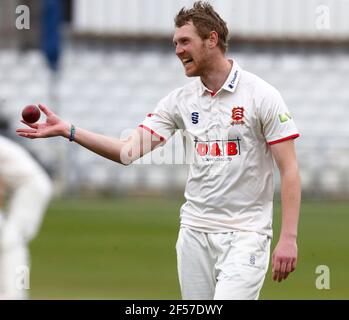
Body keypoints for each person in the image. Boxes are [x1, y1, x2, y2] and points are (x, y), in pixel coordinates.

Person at [16, 1, 301, 300]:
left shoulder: (262, 95)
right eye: (175, 43)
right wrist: (69, 131)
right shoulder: (179, 101)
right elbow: (127, 151)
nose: (177, 50)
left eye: (185, 42)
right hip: (194, 231)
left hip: (246, 235)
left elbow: (289, 169)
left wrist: (288, 238)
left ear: (212, 40)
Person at [0, 135, 52, 299]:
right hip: (20, 190)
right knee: (10, 240)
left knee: (11, 240)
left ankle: (15, 293)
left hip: (31, 188)